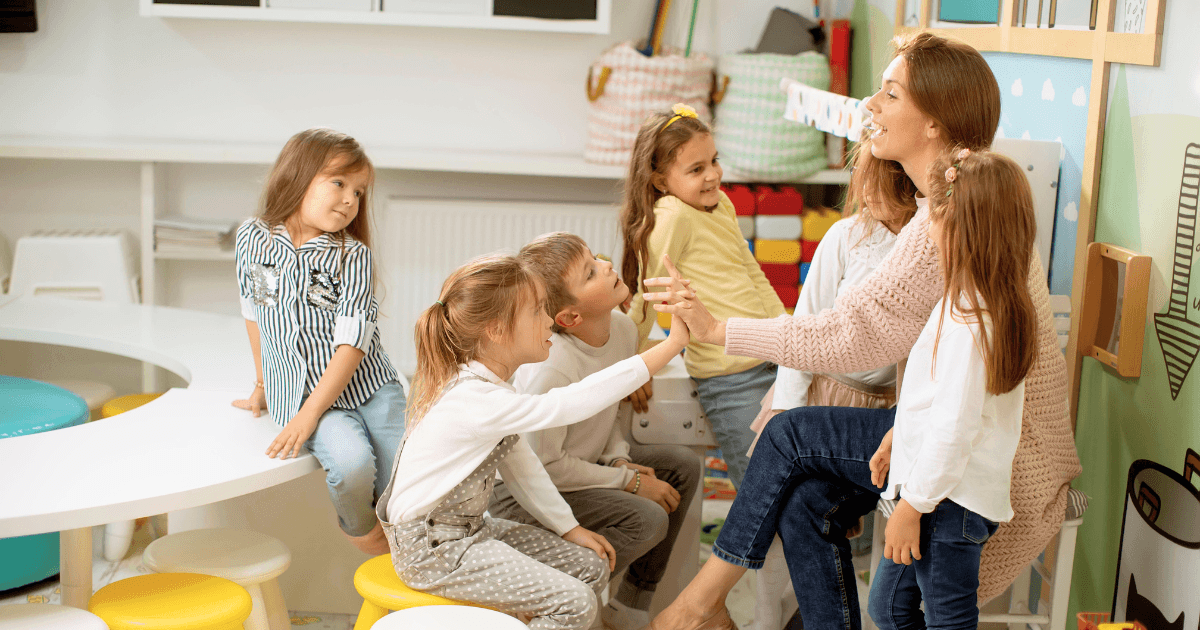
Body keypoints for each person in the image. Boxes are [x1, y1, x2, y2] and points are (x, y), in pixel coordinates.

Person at [641, 32, 1081, 630]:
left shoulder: (949, 215)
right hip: (938, 427)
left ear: (935, 123)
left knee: (787, 439)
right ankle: (718, 606)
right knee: (803, 504)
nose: (870, 104)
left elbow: (854, 337)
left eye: (890, 93)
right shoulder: (951, 199)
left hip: (985, 447)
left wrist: (720, 329)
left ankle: (698, 604)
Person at [378, 254, 692, 630]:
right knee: (574, 603)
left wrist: (568, 528)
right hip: (433, 550)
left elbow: (523, 466)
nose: (548, 320)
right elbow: (573, 402)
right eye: (537, 311)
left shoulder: (491, 388)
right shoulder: (474, 398)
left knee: (590, 566)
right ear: (496, 330)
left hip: (469, 531)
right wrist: (673, 344)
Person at [488, 232, 703, 630]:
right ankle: (553, 596)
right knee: (648, 518)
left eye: (594, 258)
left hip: (582, 466)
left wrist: (619, 459)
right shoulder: (551, 367)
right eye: (590, 272)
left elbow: (610, 416)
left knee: (682, 466)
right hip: (526, 493)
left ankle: (629, 606)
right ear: (570, 317)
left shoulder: (622, 330)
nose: (605, 264)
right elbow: (545, 467)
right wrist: (628, 482)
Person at [233, 128, 405, 555]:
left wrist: (307, 416)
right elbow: (256, 313)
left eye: (360, 192)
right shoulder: (253, 239)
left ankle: (420, 558)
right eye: (339, 183)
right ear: (298, 175)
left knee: (405, 476)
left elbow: (352, 343)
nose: (351, 199)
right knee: (351, 465)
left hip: (370, 387)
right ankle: (363, 534)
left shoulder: (353, 255)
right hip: (309, 393)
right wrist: (263, 384)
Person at [747, 198, 901, 630]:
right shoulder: (846, 236)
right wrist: (783, 417)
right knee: (775, 513)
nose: (869, 194)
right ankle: (765, 620)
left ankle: (806, 617)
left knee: (821, 516)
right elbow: (804, 327)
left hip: (878, 407)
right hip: (815, 391)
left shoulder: (927, 244)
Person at [621, 103, 786, 488]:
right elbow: (647, 296)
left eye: (714, 160)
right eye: (697, 169)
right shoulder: (672, 217)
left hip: (770, 357)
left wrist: (785, 334)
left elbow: (751, 272)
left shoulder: (720, 203)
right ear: (661, 180)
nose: (713, 175)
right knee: (760, 487)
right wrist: (633, 365)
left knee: (789, 477)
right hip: (730, 379)